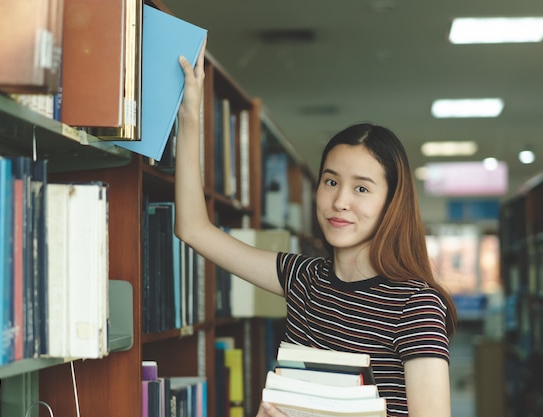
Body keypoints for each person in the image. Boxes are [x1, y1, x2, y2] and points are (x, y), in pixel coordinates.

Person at [174, 40, 458, 417]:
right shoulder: (303, 279)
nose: (340, 201)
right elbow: (193, 228)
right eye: (330, 181)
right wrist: (190, 116)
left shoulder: (415, 306)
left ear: (391, 202)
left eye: (361, 188)